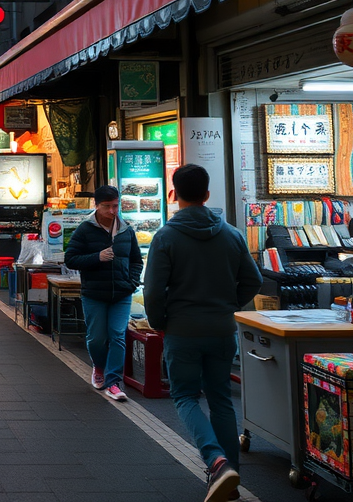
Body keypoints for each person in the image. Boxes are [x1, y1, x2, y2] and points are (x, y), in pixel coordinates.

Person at [143, 164, 262, 502]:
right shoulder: (231, 234)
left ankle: (216, 460)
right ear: (207, 195)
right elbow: (252, 280)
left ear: (174, 195)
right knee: (221, 399)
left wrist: (159, 321)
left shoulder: (165, 237)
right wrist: (229, 305)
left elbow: (153, 291)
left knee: (184, 396)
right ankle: (231, 480)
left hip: (182, 330)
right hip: (223, 330)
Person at [64, 185, 142, 402]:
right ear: (96, 206)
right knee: (97, 338)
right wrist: (96, 257)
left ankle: (114, 382)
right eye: (107, 206)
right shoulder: (85, 230)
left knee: (117, 335)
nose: (112, 211)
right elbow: (70, 259)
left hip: (122, 293)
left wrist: (132, 281)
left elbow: (136, 259)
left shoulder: (126, 229)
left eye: (115, 206)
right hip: (94, 294)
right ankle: (99, 366)